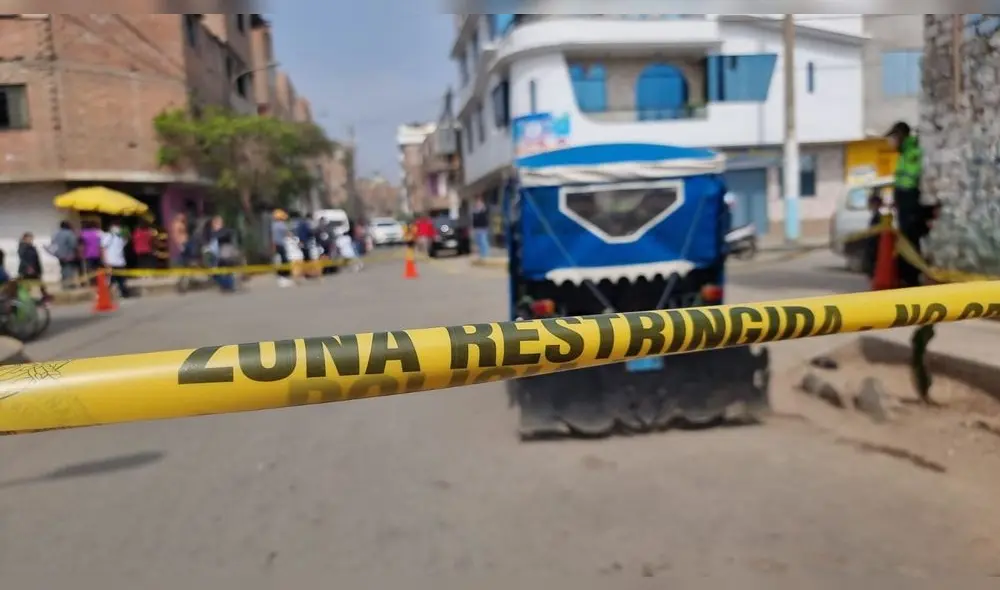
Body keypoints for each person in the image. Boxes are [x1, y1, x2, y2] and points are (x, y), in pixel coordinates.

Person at [887, 121, 931, 288]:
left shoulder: (913, 152)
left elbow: (913, 180)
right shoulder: (904, 153)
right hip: (905, 203)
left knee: (910, 242)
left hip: (911, 203)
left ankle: (911, 279)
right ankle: (907, 278)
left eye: (893, 138)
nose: (892, 142)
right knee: (906, 242)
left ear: (901, 136)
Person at [17, 232, 51, 303]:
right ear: (25, 238)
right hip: (27, 270)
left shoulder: (31, 247)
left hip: (35, 269)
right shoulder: (23, 247)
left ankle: (45, 297)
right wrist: (28, 267)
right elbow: (22, 258)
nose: (31, 240)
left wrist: (39, 269)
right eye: (30, 238)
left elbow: (36, 259)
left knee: (40, 284)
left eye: (31, 238)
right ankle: (24, 300)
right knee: (27, 285)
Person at [101, 221, 131, 298]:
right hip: (114, 261)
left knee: (119, 280)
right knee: (112, 280)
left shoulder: (120, 237)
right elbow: (103, 247)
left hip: (116, 261)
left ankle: (122, 293)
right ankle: (108, 295)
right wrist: (105, 260)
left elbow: (103, 248)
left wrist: (105, 261)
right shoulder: (109, 236)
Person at [48, 220, 80, 289]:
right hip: (69, 255)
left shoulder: (56, 233)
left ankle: (64, 284)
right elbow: (73, 245)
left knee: (63, 269)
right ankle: (68, 285)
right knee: (69, 270)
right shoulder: (69, 233)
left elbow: (53, 243)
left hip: (59, 255)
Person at [272, 209, 293, 287]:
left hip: (276, 245)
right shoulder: (281, 225)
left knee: (280, 260)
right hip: (281, 244)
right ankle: (284, 277)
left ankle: (281, 276)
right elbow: (288, 233)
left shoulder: (274, 225)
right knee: (284, 260)